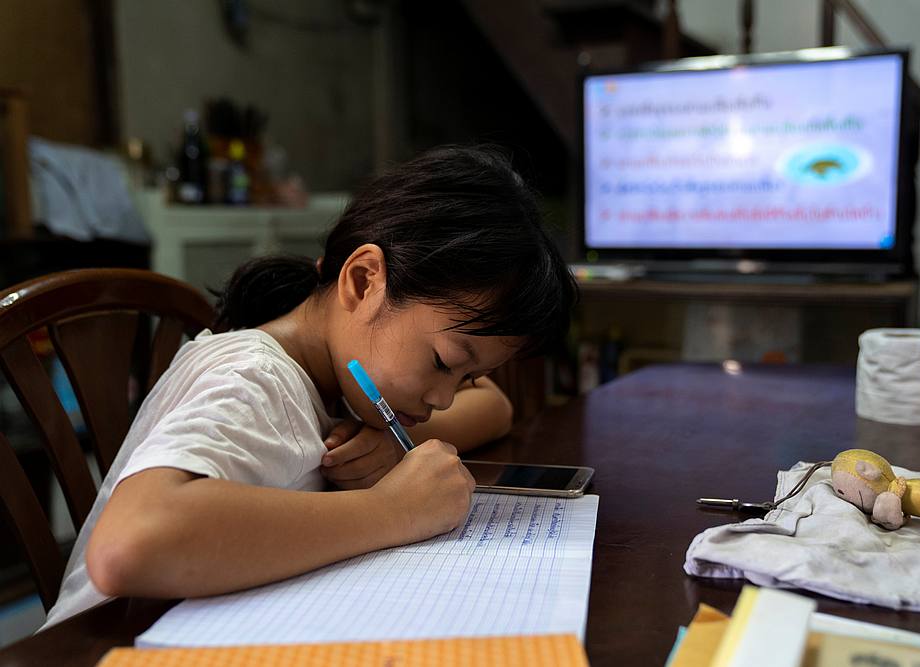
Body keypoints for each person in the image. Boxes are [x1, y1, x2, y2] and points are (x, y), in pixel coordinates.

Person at [42, 146, 577, 628]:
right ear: (364, 281)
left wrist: (392, 442)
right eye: (443, 363)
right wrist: (395, 511)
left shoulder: (350, 372)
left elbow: (496, 408)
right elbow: (129, 546)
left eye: (464, 376)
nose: (443, 397)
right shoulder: (255, 380)